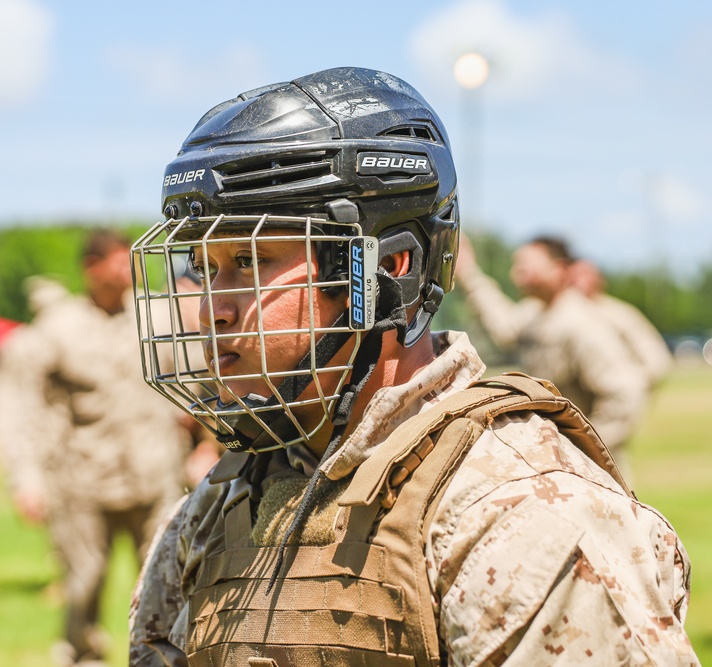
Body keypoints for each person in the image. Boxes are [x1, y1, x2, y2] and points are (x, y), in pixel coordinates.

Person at [128, 67, 697, 665]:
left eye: (251, 261)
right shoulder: (222, 501)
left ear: (389, 268)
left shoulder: (519, 510)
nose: (210, 309)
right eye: (205, 267)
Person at [0, 233, 189, 667]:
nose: (127, 272)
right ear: (91, 268)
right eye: (117, 264)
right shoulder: (56, 328)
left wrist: (203, 445)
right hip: (83, 477)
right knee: (84, 582)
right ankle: (83, 656)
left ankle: (166, 659)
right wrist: (25, 478)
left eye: (129, 263)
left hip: (155, 472)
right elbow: (23, 407)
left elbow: (197, 383)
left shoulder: (156, 314)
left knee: (170, 578)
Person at [455, 234, 650, 478]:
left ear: (558, 270)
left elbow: (625, 393)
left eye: (527, 264)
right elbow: (503, 324)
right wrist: (469, 273)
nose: (518, 272)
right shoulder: (536, 313)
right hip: (556, 463)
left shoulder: (580, 323)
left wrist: (582, 450)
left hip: (590, 472)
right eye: (517, 265)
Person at [569, 257, 673, 391]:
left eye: (583, 275)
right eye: (572, 276)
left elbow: (656, 359)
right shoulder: (548, 314)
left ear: (600, 280)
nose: (577, 281)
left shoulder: (620, 314)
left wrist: (629, 384)